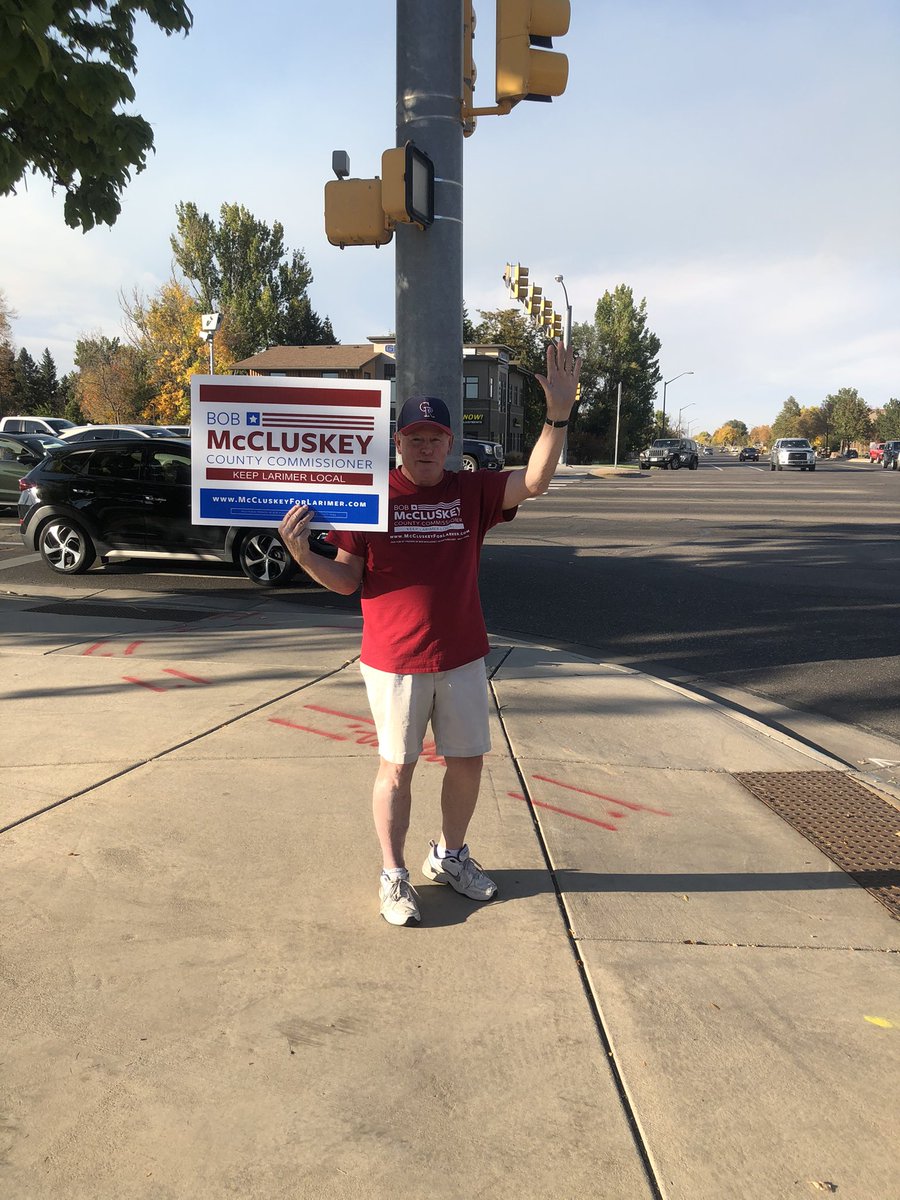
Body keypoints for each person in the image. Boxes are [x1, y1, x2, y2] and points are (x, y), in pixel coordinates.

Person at [279, 339, 582, 927]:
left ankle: (449, 855)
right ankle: (394, 875)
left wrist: (558, 414)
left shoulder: (470, 492)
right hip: (393, 661)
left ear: (451, 444)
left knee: (467, 761)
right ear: (398, 443)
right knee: (398, 767)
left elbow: (537, 481)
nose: (424, 447)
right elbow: (347, 580)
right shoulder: (369, 496)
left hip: (462, 656)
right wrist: (303, 555)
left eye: (435, 439)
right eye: (413, 438)